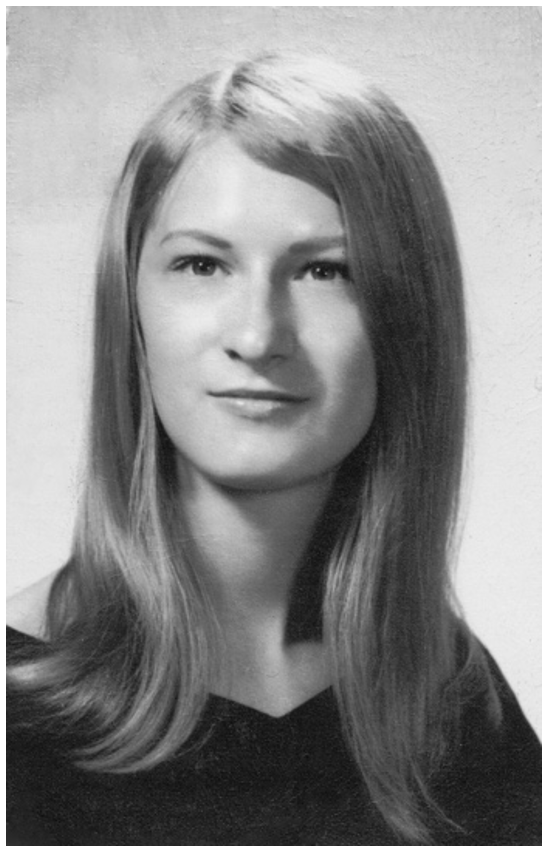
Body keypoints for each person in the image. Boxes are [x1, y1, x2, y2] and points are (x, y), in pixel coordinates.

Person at [7, 52, 541, 846]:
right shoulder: (14, 703)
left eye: (325, 270)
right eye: (201, 264)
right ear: (131, 308)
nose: (258, 336)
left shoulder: (458, 702)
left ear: (409, 322)